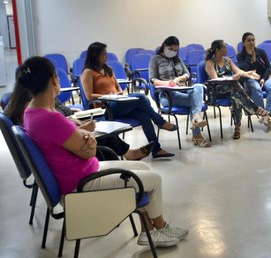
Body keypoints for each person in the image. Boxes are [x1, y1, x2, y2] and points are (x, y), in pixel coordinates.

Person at [17, 56, 188, 248]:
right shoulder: (50, 119)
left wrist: (82, 135)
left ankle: (148, 230)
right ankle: (159, 227)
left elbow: (78, 138)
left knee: (142, 167)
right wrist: (87, 137)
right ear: (53, 79)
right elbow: (88, 152)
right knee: (155, 180)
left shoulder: (32, 112)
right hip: (82, 183)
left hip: (83, 173)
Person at [4, 83, 153, 161]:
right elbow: (56, 128)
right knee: (104, 134)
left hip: (69, 126)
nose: (57, 84)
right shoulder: (36, 109)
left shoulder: (32, 106)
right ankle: (126, 157)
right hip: (66, 151)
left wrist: (76, 122)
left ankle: (128, 154)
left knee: (105, 130)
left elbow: (61, 119)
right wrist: (82, 129)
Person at [81, 42, 177, 158]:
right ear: (95, 55)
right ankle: (160, 121)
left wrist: (118, 93)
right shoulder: (88, 72)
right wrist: (106, 96)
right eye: (103, 54)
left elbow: (119, 89)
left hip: (118, 102)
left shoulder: (109, 69)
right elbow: (89, 96)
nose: (106, 56)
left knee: (143, 115)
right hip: (106, 107)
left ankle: (156, 149)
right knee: (140, 97)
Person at [149, 36, 210, 148]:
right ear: (164, 46)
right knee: (196, 103)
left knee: (198, 86)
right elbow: (153, 80)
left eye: (175, 50)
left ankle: (196, 118)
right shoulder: (155, 59)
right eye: (171, 49)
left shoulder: (177, 59)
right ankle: (197, 133)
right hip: (167, 96)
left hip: (182, 90)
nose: (173, 52)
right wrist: (167, 83)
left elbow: (187, 74)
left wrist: (178, 79)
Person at [204, 39, 271, 140]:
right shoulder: (210, 63)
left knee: (236, 97)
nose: (227, 49)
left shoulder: (228, 60)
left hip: (231, 89)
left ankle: (237, 127)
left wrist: (248, 73)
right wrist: (232, 78)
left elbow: (238, 71)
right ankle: (256, 109)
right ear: (218, 50)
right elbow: (215, 80)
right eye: (224, 47)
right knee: (235, 86)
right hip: (216, 89)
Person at [236, 32, 271, 128]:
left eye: (253, 40)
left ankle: (268, 115)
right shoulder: (240, 55)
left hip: (263, 78)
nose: (251, 42)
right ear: (244, 43)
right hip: (249, 79)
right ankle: (264, 114)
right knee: (256, 89)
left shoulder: (261, 52)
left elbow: (268, 67)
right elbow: (243, 69)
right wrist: (249, 56)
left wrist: (264, 78)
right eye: (248, 40)